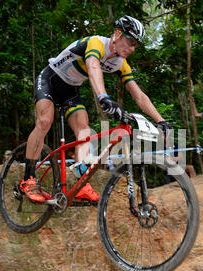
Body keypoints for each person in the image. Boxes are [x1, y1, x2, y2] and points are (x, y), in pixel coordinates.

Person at [20, 16, 172, 203]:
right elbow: (92, 65)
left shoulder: (120, 63)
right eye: (130, 42)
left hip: (70, 90)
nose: (132, 49)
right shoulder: (97, 43)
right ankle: (27, 179)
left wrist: (161, 120)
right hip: (50, 80)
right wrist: (103, 97)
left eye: (135, 46)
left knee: (84, 129)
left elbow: (138, 95)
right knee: (45, 121)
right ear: (117, 34)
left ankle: (81, 184)